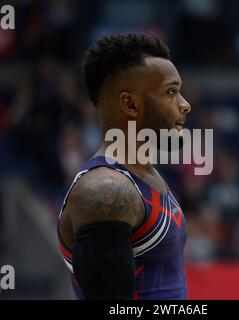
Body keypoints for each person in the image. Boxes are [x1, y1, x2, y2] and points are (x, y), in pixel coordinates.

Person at [57, 33, 191, 300]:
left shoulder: (147, 176)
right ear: (130, 104)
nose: (185, 104)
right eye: (171, 92)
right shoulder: (106, 191)